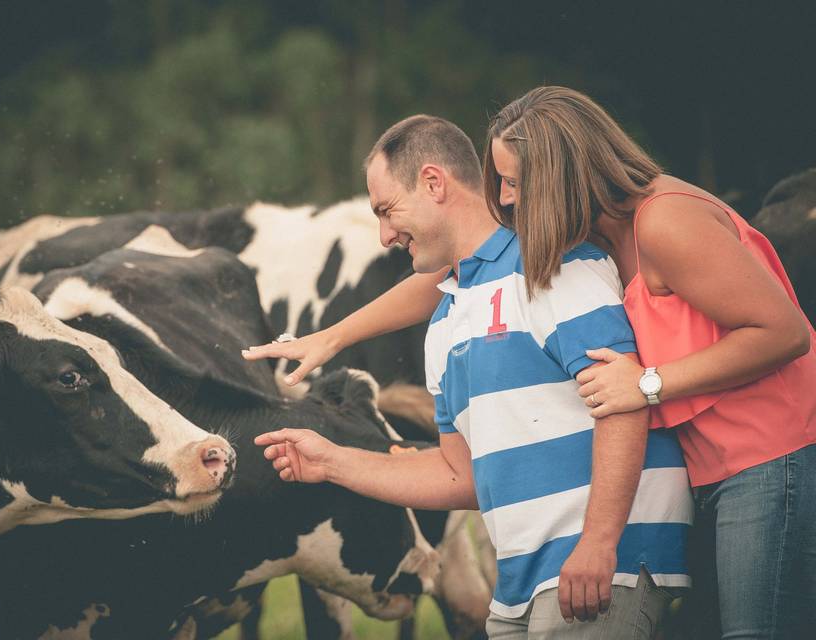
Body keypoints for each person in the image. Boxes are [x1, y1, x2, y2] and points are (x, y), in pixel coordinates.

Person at [249, 88, 816, 638]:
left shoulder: (664, 221)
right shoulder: (581, 233)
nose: (508, 198)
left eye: (515, 182)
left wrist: (647, 383)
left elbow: (786, 331)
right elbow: (452, 279)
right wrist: (331, 338)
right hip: (703, 463)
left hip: (765, 458)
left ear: (562, 173)